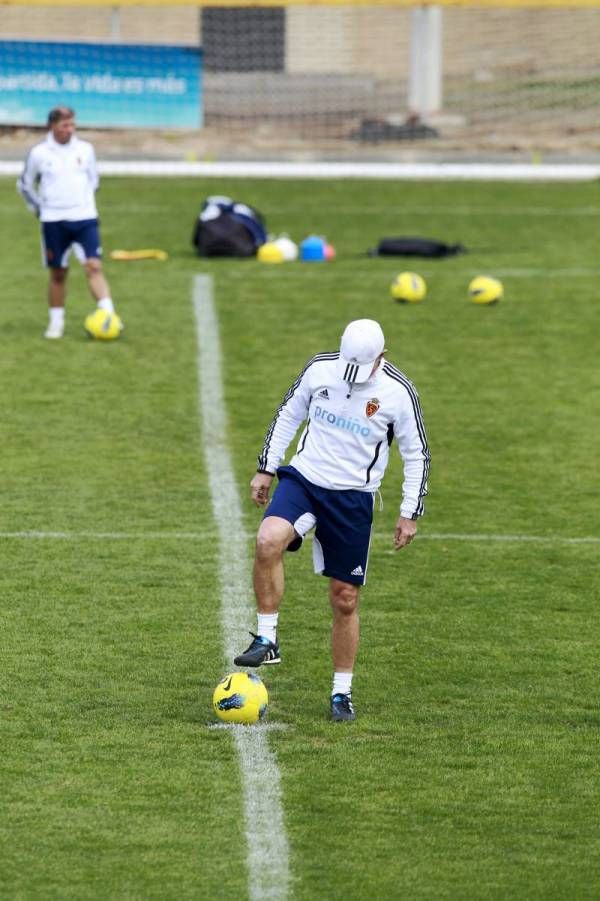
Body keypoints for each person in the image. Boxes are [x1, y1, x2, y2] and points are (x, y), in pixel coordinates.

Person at [234, 318, 430, 722]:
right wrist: (266, 468)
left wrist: (409, 512)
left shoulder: (398, 393)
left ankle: (342, 693)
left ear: (382, 357)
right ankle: (267, 636)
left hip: (352, 499)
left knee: (345, 598)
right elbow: (288, 414)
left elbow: (417, 454)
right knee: (267, 540)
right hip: (305, 479)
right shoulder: (320, 369)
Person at [17, 106, 120, 339]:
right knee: (58, 273)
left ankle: (109, 316)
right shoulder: (39, 153)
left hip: (84, 218)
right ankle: (56, 322)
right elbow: (25, 184)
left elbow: (94, 180)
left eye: (72, 125)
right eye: (64, 125)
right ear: (52, 126)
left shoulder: (85, 149)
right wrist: (40, 209)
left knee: (94, 266)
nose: (69, 130)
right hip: (53, 221)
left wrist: (82, 203)